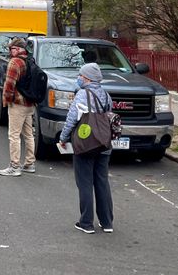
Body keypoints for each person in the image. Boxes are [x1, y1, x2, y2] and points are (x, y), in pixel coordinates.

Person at [59, 63, 115, 235]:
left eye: (81, 76)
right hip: (104, 144)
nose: (79, 78)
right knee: (102, 182)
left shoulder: (83, 94)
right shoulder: (106, 95)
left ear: (87, 78)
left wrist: (63, 137)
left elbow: (72, 118)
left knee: (84, 183)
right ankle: (107, 222)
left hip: (86, 144)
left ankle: (86, 222)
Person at [0, 38, 36, 176]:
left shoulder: (15, 62)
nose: (10, 51)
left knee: (14, 135)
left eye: (12, 48)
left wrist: (6, 101)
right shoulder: (30, 60)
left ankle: (14, 166)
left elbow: (9, 84)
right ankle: (29, 163)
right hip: (30, 103)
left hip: (18, 104)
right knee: (29, 135)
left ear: (19, 49)